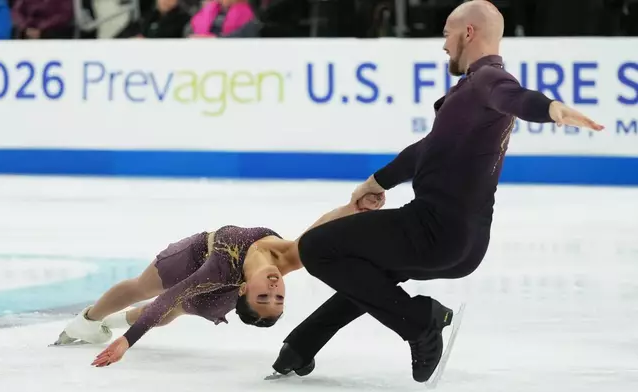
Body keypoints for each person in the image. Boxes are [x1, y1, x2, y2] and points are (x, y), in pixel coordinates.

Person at [269, 0, 604, 384]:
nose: (444, 44)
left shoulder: (486, 80)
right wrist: (376, 183)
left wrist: (552, 109)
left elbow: (513, 96)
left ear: (468, 33)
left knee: (316, 247)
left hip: (434, 231)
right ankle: (302, 344)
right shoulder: (469, 94)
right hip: (465, 243)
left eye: (447, 33)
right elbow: (425, 149)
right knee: (370, 271)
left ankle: (419, 323)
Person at [52, 193, 383, 368]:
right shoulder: (285, 260)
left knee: (174, 306)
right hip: (193, 255)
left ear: (244, 291)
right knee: (145, 289)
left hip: (216, 287)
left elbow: (168, 301)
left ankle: (105, 321)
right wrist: (352, 207)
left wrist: (127, 339)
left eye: (264, 299)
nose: (273, 291)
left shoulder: (227, 277)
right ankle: (91, 319)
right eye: (278, 298)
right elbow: (320, 228)